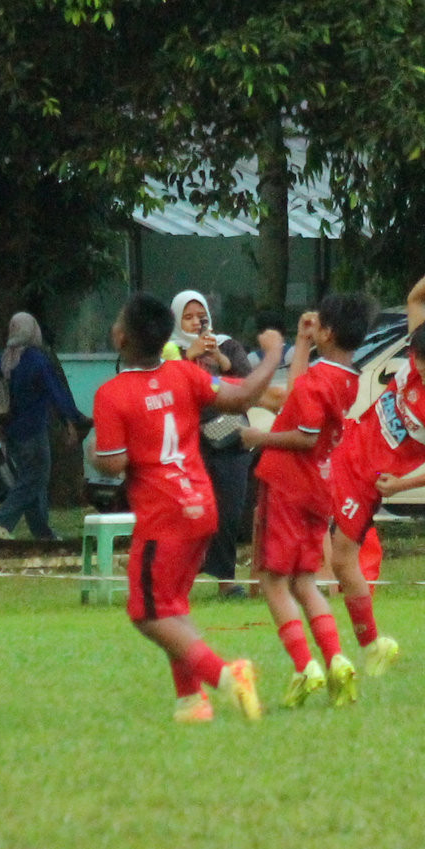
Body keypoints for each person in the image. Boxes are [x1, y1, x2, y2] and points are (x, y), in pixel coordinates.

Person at [91, 293, 286, 723]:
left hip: (163, 515)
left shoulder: (112, 393)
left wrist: (96, 454)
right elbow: (243, 398)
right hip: (201, 504)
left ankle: (226, 675)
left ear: (120, 336)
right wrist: (273, 354)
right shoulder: (184, 374)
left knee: (145, 613)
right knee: (173, 606)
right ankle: (191, 701)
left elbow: (113, 463)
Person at [325, 250, 425, 678]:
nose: (421, 367)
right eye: (419, 358)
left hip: (367, 480)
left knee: (341, 560)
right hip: (344, 443)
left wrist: (400, 485)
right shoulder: (415, 362)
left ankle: (371, 644)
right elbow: (415, 300)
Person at [243, 291, 378, 708]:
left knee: (272, 580)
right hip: (319, 489)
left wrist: (258, 438)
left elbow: (304, 434)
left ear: (330, 331)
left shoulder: (320, 380)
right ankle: (336, 661)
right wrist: (302, 343)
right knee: (305, 581)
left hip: (285, 485)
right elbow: (299, 396)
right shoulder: (344, 377)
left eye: (317, 323)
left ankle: (305, 666)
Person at [167, 290, 254, 594]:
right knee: (191, 512)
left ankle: (226, 581)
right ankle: (181, 580)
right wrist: (188, 356)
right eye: (187, 317)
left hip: (230, 439)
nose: (194, 324)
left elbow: (250, 383)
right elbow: (165, 385)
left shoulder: (227, 344)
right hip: (188, 442)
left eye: (199, 317)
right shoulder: (170, 350)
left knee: (228, 511)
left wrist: (220, 359)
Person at [0, 312, 86, 540]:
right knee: (35, 479)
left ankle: (42, 532)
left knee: (33, 479)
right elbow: (55, 393)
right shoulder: (37, 360)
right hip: (33, 430)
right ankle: (1, 520)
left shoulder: (0, 360)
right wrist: (71, 419)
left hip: (10, 431)